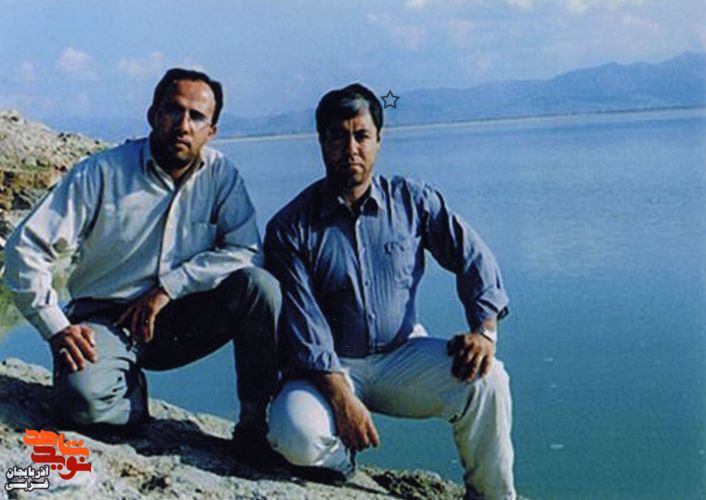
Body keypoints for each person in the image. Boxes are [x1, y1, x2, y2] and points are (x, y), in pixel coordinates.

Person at [4, 68, 280, 457]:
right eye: (173, 110)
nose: (183, 125)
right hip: (107, 320)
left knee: (259, 287)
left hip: (180, 318)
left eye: (197, 117)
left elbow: (247, 251)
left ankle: (255, 424)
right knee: (81, 403)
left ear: (211, 131)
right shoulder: (102, 172)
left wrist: (170, 287)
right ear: (153, 115)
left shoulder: (221, 176)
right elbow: (24, 248)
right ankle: (128, 398)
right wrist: (56, 328)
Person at [264, 83, 515, 499]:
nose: (351, 149)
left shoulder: (412, 201)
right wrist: (342, 401)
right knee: (294, 434)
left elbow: (472, 256)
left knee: (488, 380)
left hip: (402, 355)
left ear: (379, 139)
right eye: (338, 137)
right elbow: (305, 326)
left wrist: (484, 332)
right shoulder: (290, 227)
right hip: (326, 369)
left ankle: (490, 496)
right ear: (321, 142)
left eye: (361, 135)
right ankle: (341, 465)